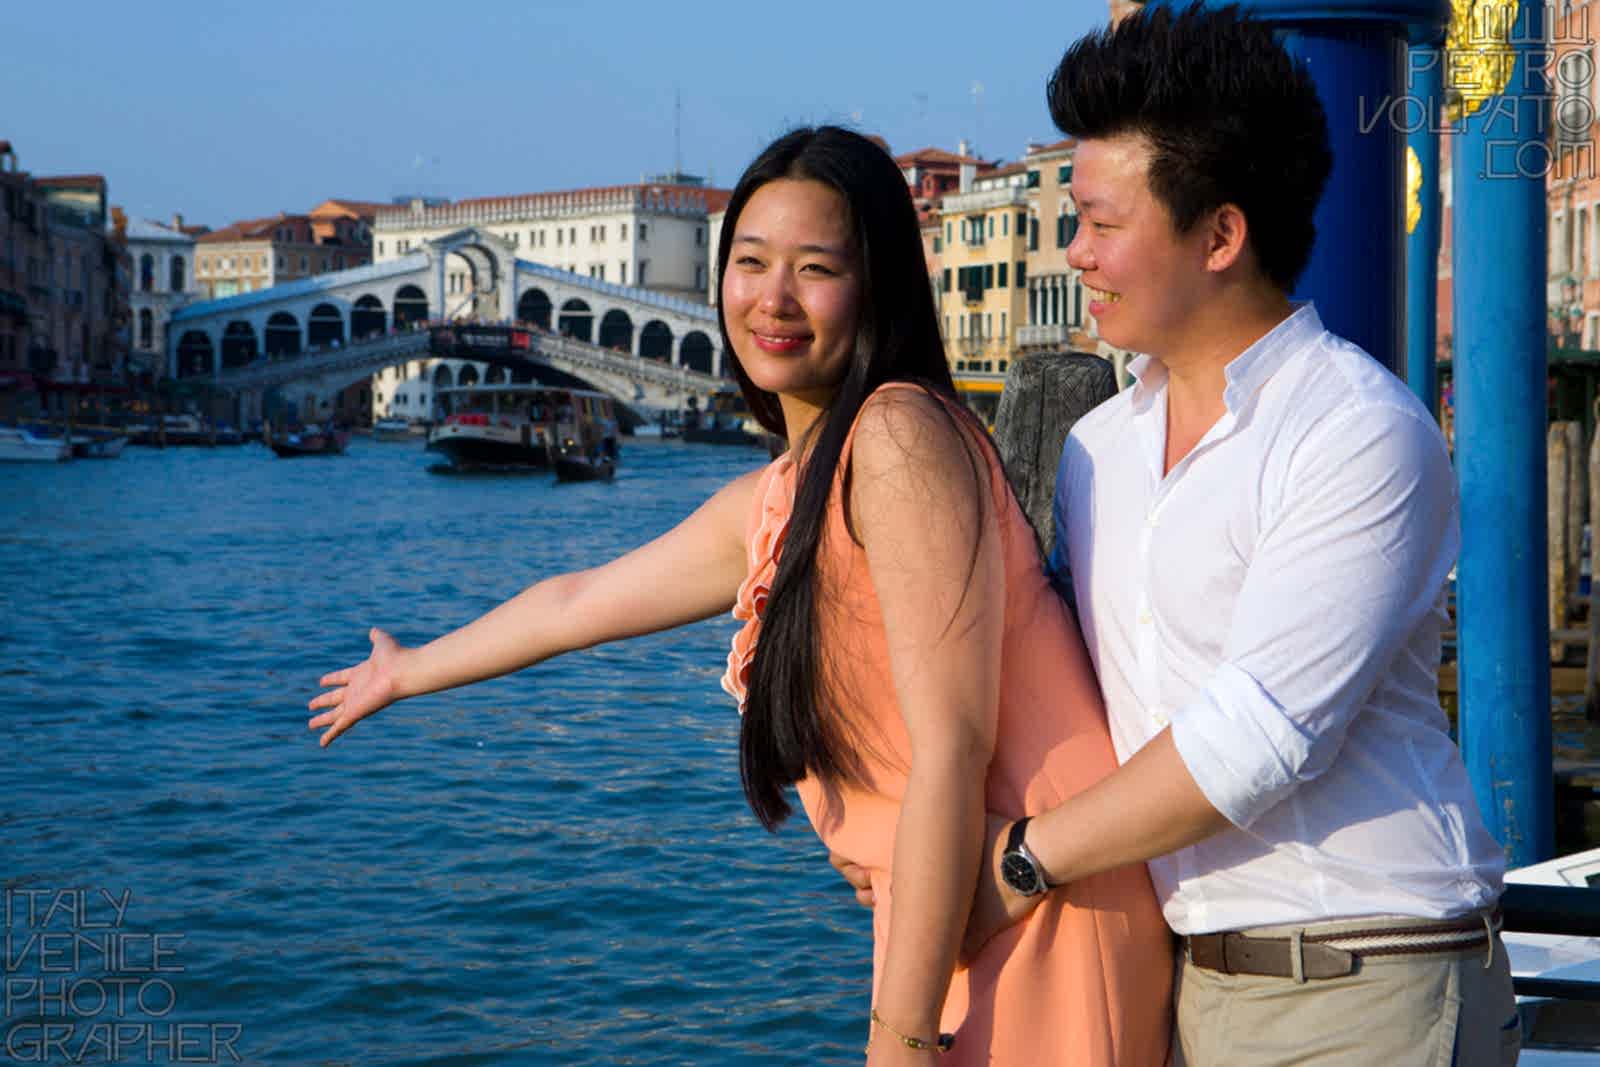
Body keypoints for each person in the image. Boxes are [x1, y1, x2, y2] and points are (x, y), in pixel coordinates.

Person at [307, 126, 1171, 1065]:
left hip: (1034, 907)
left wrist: (901, 1037)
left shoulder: (898, 437)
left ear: (876, 285)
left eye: (815, 268)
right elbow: (578, 601)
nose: (774, 298)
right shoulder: (784, 492)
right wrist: (406, 672)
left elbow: (953, 750)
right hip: (950, 910)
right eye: (751, 262)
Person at [832, 6, 1518, 1065]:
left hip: (1364, 976)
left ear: (1220, 236)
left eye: (1101, 223)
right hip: (1187, 981)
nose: (1076, 252)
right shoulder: (1097, 448)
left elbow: (1257, 739)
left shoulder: (1358, 431)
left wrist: (1015, 863)